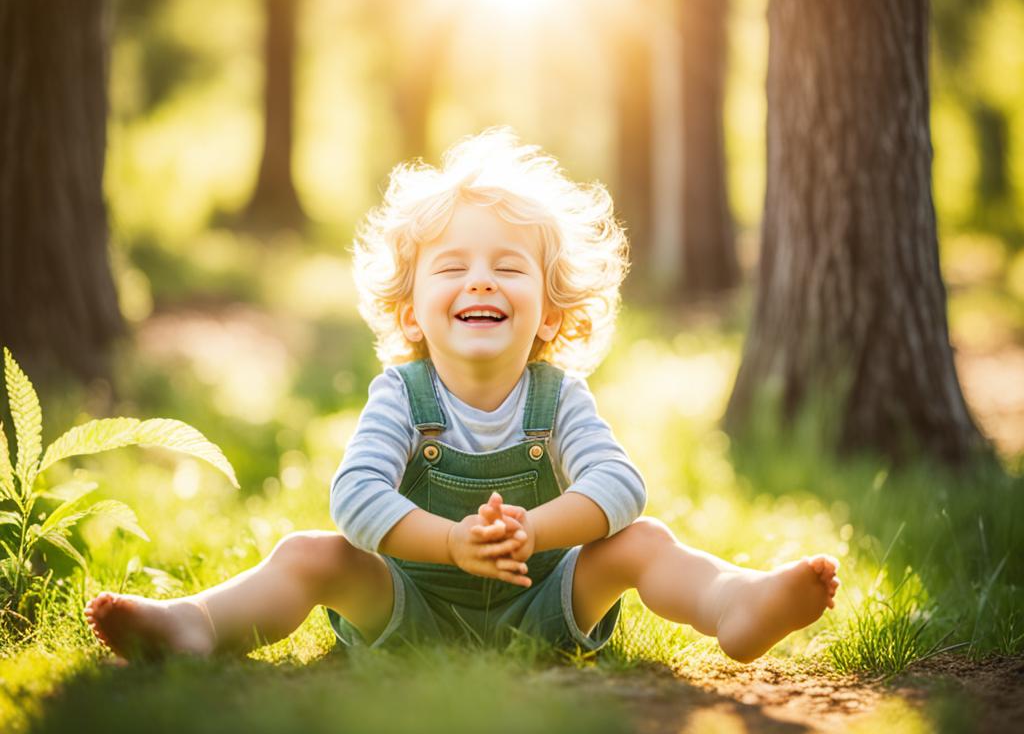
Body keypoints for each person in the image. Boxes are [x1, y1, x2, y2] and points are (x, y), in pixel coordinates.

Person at [85, 129, 839, 663]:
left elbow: (621, 485)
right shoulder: (402, 396)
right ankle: (195, 625)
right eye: (452, 268)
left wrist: (532, 533)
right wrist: (448, 542)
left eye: (508, 267)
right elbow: (353, 496)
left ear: (551, 310)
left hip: (543, 606)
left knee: (642, 543)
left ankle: (734, 605)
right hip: (407, 605)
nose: (480, 279)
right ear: (411, 310)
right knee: (310, 555)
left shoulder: (560, 397)